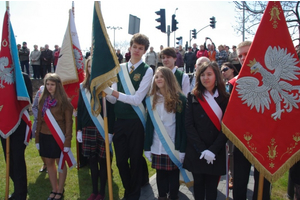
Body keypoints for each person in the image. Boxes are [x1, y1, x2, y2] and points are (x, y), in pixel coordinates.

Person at [104, 33, 152, 200]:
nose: (137, 50)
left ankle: (132, 194)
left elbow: (137, 99)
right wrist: (105, 92)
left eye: (141, 48)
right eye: (135, 47)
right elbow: (112, 99)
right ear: (130, 47)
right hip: (120, 122)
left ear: (144, 51)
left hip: (136, 121)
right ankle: (131, 187)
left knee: (135, 159)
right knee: (121, 161)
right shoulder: (120, 68)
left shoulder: (147, 70)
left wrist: (114, 93)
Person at [183, 61, 229, 200]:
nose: (205, 78)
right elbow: (188, 125)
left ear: (216, 76)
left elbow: (227, 128)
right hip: (198, 151)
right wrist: (202, 150)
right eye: (202, 75)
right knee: (198, 186)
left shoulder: (226, 98)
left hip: (216, 151)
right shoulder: (192, 97)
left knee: (211, 188)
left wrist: (212, 150)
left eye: (209, 74)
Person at [233, 41, 271, 200]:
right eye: (240, 55)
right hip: (241, 140)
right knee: (239, 181)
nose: (243, 58)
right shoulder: (234, 82)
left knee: (263, 184)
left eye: (246, 53)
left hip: (264, 140)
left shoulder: (268, 80)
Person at [144, 67, 187, 200]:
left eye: (162, 76)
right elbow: (149, 125)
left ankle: (173, 197)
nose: (158, 79)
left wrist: (182, 149)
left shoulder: (180, 99)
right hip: (157, 145)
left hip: (173, 146)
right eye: (156, 77)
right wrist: (147, 147)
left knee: (173, 175)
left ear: (169, 78)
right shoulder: (151, 99)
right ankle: (161, 196)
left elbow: (183, 126)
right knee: (160, 174)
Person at [77, 56, 114, 200]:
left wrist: (110, 131)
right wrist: (79, 129)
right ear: (87, 68)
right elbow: (80, 109)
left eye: (95, 66)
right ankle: (94, 191)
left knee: (103, 161)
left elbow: (111, 110)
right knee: (92, 161)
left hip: (103, 128)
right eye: (90, 66)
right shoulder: (82, 87)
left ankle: (102, 192)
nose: (92, 69)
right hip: (88, 128)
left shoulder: (106, 85)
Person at [35, 73, 73, 200]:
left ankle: (60, 190)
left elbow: (69, 123)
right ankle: (54, 189)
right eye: (47, 84)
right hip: (45, 135)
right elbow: (39, 120)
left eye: (52, 84)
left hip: (58, 137)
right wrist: (37, 139)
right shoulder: (42, 100)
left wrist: (67, 142)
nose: (49, 87)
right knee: (49, 162)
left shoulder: (65, 102)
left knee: (60, 163)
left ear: (58, 85)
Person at [1, 72, 32, 200]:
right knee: (9, 160)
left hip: (19, 123)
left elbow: (27, 99)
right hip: (4, 123)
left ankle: (20, 194)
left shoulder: (22, 77)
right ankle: (18, 188)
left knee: (18, 159)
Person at [32, 84, 48, 173]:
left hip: (49, 124)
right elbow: (34, 107)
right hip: (38, 123)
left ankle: (50, 164)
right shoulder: (40, 92)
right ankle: (45, 163)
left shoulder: (55, 93)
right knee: (39, 145)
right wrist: (38, 117)